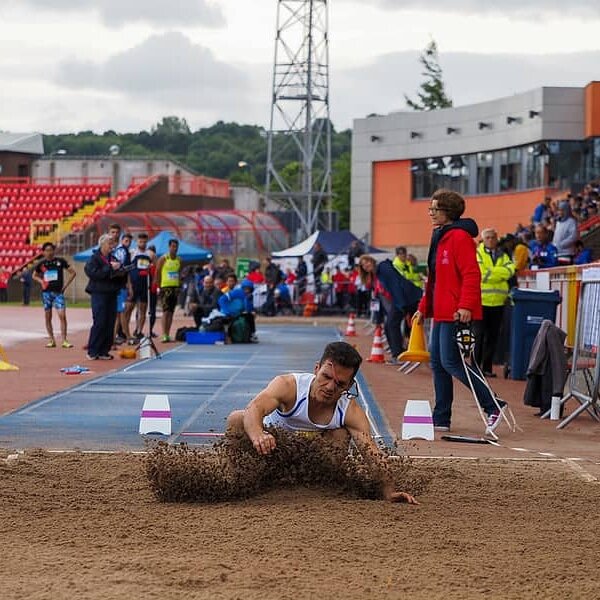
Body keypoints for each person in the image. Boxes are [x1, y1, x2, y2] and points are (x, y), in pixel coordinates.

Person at [226, 341, 417, 504]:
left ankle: (319, 489)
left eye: (340, 384)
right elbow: (254, 408)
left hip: (311, 465)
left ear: (349, 386)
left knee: (340, 434)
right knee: (237, 418)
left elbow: (371, 453)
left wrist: (389, 491)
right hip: (272, 450)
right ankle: (238, 481)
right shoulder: (288, 385)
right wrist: (258, 434)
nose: (330, 387)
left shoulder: (350, 411)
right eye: (326, 377)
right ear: (316, 369)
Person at [413, 189, 507, 434]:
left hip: (455, 311)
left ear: (448, 211)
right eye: (430, 208)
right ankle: (441, 417)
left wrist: (465, 305)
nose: (431, 213)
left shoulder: (459, 238)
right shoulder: (439, 236)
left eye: (435, 209)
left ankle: (493, 404)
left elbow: (471, 274)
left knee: (453, 363)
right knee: (438, 363)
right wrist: (423, 308)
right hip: (441, 311)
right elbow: (433, 279)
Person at [474, 228, 515, 377]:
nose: (491, 240)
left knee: (492, 337)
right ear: (483, 240)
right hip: (481, 301)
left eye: (493, 237)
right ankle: (475, 367)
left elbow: (511, 270)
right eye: (488, 238)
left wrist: (491, 272)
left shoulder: (503, 255)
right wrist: (499, 273)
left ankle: (487, 368)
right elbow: (481, 274)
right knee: (478, 336)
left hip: (498, 302)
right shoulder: (478, 254)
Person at [84, 233, 127, 360]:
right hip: (99, 294)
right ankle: (93, 350)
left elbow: (119, 274)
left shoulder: (113, 258)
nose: (112, 247)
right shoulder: (94, 259)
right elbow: (93, 274)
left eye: (113, 244)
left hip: (112, 293)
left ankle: (104, 350)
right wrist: (109, 268)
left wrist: (121, 272)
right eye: (109, 243)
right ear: (102, 244)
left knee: (110, 322)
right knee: (100, 322)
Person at [32, 242, 77, 348]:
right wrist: (41, 281)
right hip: (46, 293)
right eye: (46, 250)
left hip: (58, 293)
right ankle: (52, 340)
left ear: (54, 251)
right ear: (43, 252)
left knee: (62, 315)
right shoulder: (42, 264)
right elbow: (34, 275)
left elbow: (73, 273)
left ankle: (64, 340)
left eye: (51, 250)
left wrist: (65, 286)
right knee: (48, 317)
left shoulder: (60, 262)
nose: (49, 252)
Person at [125, 232, 152, 342]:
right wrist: (129, 285)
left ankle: (139, 331)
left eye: (145, 242)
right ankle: (126, 332)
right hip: (134, 284)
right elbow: (127, 270)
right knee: (128, 309)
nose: (143, 243)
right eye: (141, 241)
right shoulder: (132, 253)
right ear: (137, 242)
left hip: (144, 285)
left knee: (143, 309)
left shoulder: (149, 254)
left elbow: (153, 268)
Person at [155, 238, 182, 343]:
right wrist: (158, 286)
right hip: (165, 287)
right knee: (165, 312)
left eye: (176, 247)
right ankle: (164, 334)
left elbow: (179, 273)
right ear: (169, 247)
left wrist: (179, 285)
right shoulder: (163, 259)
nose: (174, 249)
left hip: (174, 288)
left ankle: (168, 333)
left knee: (171, 312)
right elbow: (157, 272)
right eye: (173, 246)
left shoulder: (179, 260)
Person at [112, 232, 133, 344]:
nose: (128, 243)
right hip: (119, 286)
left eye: (129, 241)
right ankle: (127, 336)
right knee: (121, 313)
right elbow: (124, 269)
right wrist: (129, 286)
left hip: (120, 285)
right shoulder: (122, 251)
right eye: (126, 241)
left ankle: (115, 337)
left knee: (119, 313)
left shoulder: (124, 251)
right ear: (121, 240)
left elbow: (127, 271)